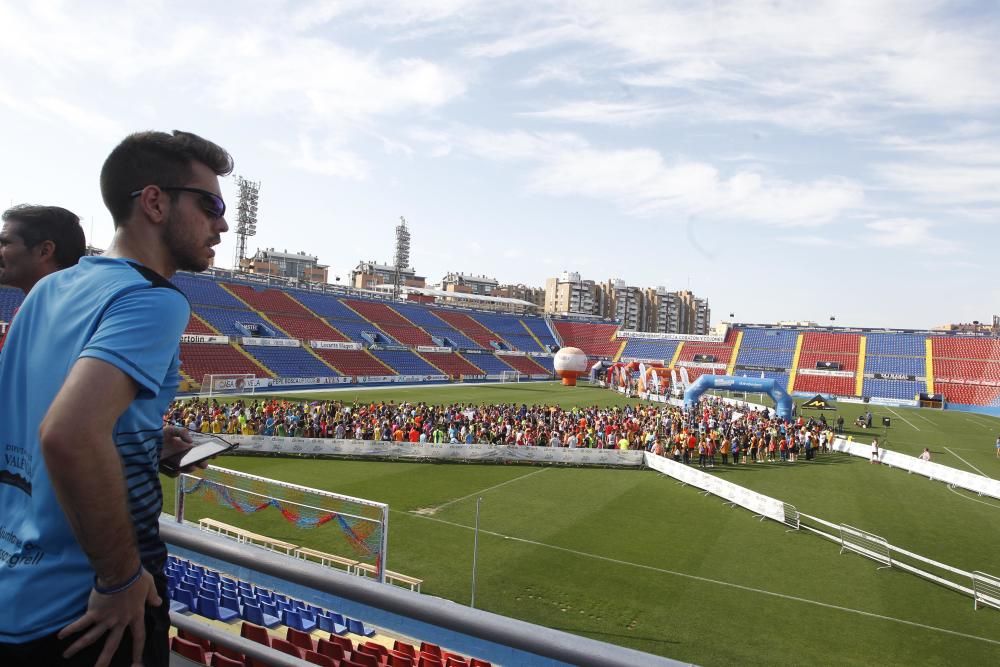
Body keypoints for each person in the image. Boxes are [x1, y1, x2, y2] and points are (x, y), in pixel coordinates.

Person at [0, 130, 233, 667]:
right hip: (89, 609)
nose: (221, 223)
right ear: (154, 202)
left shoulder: (47, 289)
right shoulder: (152, 300)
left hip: (17, 588)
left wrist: (141, 442)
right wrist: (121, 576)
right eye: (210, 204)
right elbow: (68, 434)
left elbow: (37, 419)